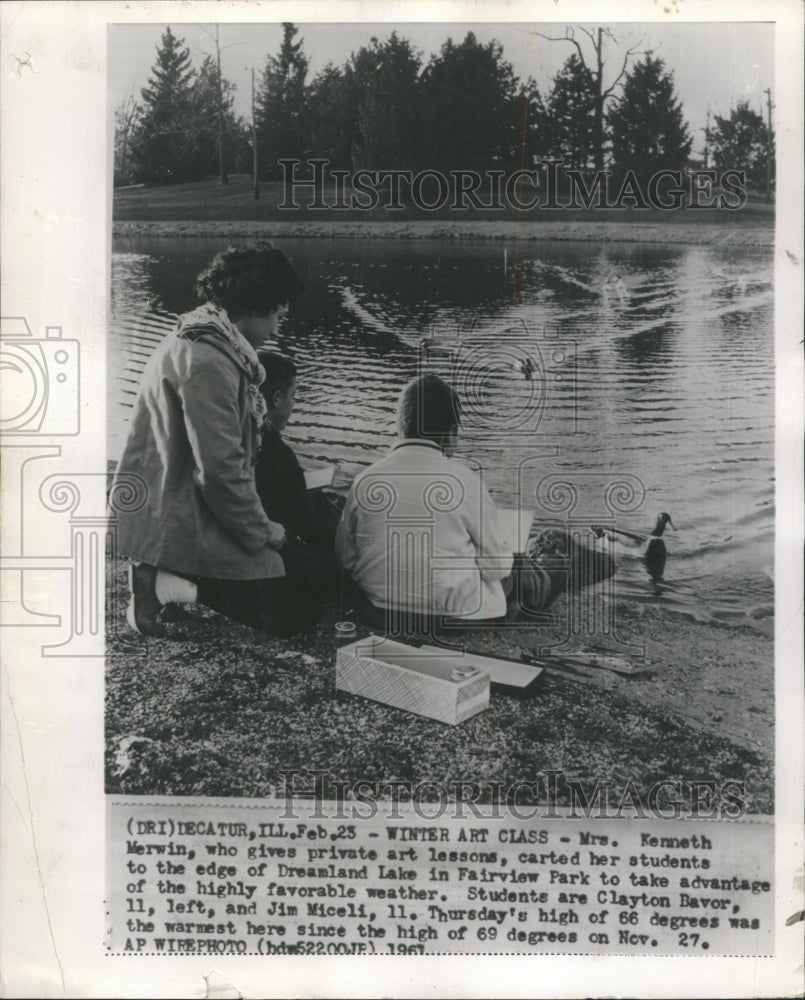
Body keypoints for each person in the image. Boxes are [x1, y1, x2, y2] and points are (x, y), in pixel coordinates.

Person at [112, 242, 314, 638]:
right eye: (278, 309)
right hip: (176, 515)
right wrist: (262, 530)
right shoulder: (209, 363)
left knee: (299, 576)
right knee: (297, 602)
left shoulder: (203, 338)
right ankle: (164, 584)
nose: (281, 319)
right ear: (254, 304)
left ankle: (167, 575)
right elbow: (219, 472)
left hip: (170, 503)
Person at [335, 374, 568, 628]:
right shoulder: (464, 481)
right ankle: (550, 582)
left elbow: (344, 559)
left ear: (399, 428)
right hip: (451, 618)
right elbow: (496, 569)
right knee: (519, 563)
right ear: (451, 434)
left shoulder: (365, 480)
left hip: (378, 610)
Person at [253, 351, 342, 615]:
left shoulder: (241, 434)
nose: (293, 405)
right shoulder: (277, 452)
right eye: (292, 397)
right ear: (277, 398)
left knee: (321, 500)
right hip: (268, 545)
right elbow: (309, 527)